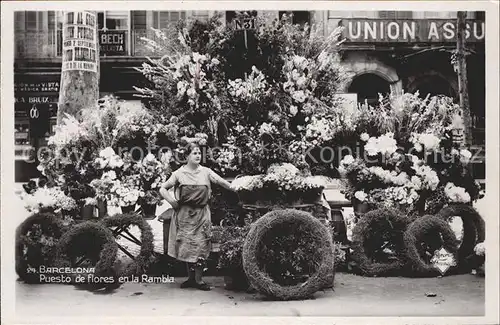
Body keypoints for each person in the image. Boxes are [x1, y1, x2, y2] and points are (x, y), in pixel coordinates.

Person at [159, 142, 235, 291]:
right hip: (185, 215)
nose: (198, 155)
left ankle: (199, 280)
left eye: (199, 153)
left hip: (202, 215)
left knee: (201, 245)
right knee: (187, 245)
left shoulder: (206, 172)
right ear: (187, 156)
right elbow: (163, 189)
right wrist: (172, 202)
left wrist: (237, 187)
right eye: (194, 153)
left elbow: (222, 182)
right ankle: (190, 278)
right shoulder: (179, 174)